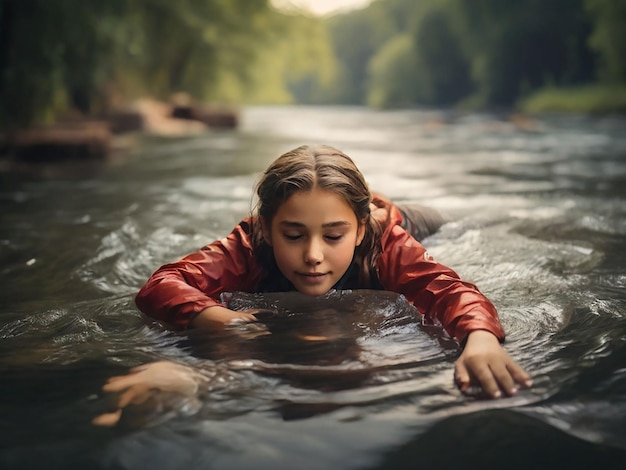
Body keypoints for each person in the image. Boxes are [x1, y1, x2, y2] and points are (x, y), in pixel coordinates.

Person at [95, 144, 532, 427]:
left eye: (333, 237)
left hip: (417, 220)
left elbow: (451, 290)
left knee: (458, 223)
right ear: (266, 228)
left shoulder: (386, 244)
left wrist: (480, 339)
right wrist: (218, 319)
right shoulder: (247, 244)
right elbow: (163, 283)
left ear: (359, 232)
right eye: (294, 235)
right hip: (339, 211)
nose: (313, 255)